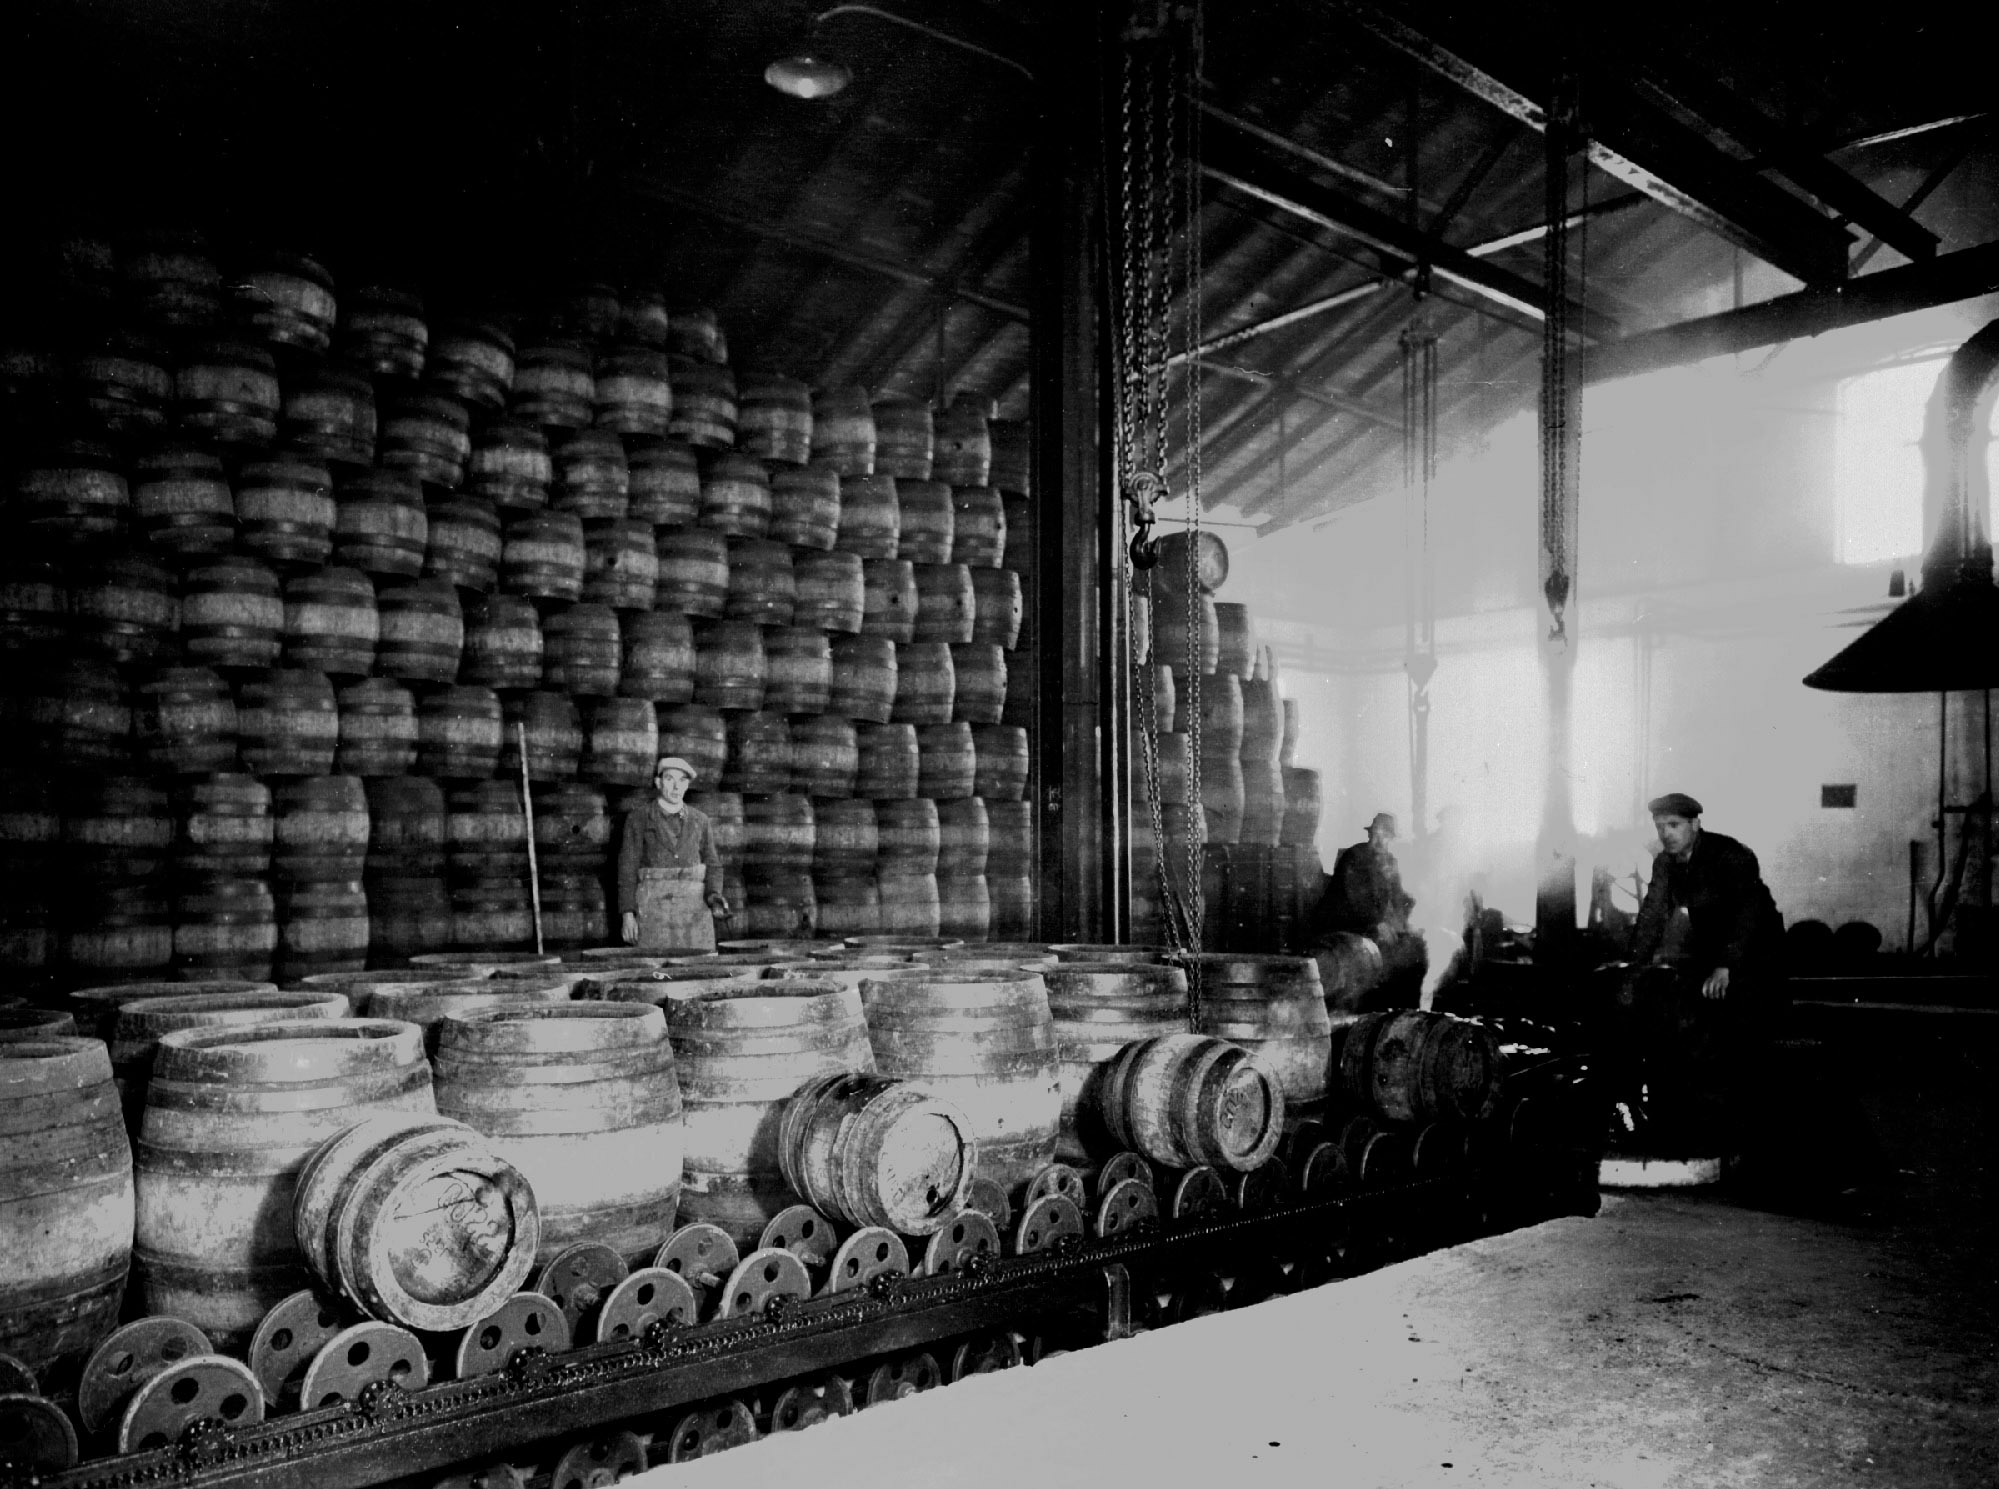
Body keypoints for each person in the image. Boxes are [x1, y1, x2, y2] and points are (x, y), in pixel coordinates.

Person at [1608, 792, 1786, 1149]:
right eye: (1660, 827)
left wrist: (1726, 967)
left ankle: (1733, 1126)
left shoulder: (1731, 857)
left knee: (1729, 1026)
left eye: (1673, 826)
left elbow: (1747, 917)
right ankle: (1676, 1115)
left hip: (1755, 952)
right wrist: (1633, 969)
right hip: (1712, 950)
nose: (1666, 834)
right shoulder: (1665, 864)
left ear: (1694, 824)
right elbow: (1651, 916)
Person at [617, 756, 730, 952]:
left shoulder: (700, 820)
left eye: (682, 780)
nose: (676, 787)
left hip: (694, 913)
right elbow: (627, 869)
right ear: (658, 782)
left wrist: (714, 896)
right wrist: (628, 914)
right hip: (653, 910)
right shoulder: (639, 819)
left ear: (687, 785)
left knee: (698, 972)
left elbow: (713, 864)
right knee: (653, 972)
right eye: (670, 779)